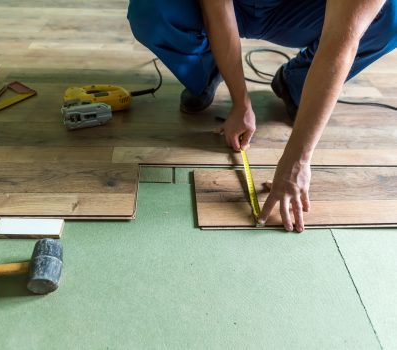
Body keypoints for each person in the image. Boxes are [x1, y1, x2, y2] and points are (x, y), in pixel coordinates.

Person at [127, 0, 397, 232]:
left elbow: (341, 42)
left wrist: (298, 159)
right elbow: (218, 8)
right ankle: (205, 70)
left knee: (389, 18)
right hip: (232, 6)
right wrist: (240, 102)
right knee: (151, 8)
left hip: (299, 11)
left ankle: (297, 84)